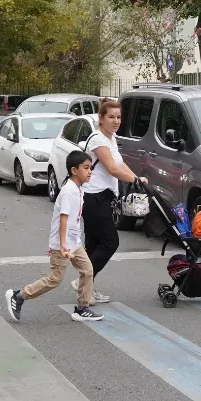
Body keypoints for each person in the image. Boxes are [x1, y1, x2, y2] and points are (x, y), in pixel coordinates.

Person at [6, 151, 101, 323]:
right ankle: (19, 296)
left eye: (90, 168)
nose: (89, 172)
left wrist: (75, 241)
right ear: (74, 170)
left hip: (74, 243)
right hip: (63, 244)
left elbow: (74, 219)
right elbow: (63, 218)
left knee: (87, 271)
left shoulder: (77, 189)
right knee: (54, 279)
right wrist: (62, 244)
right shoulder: (68, 191)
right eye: (86, 168)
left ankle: (82, 308)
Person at [72, 98, 147, 303]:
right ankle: (84, 281)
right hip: (93, 198)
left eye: (118, 117)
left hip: (103, 198)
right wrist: (133, 179)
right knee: (110, 242)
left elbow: (120, 165)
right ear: (101, 118)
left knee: (94, 245)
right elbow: (112, 169)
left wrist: (137, 179)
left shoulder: (111, 138)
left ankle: (87, 289)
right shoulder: (98, 140)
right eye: (111, 117)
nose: (116, 121)